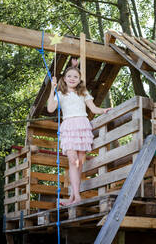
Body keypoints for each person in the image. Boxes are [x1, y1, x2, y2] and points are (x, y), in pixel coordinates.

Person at [47, 62, 112, 206]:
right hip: (69, 127)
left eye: (75, 76)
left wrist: (103, 111)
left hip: (83, 126)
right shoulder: (61, 94)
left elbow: (93, 109)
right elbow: (51, 108)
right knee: (72, 160)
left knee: (80, 162)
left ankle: (73, 197)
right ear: (64, 78)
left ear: (79, 79)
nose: (72, 78)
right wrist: (52, 89)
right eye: (69, 76)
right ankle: (76, 196)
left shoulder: (83, 93)